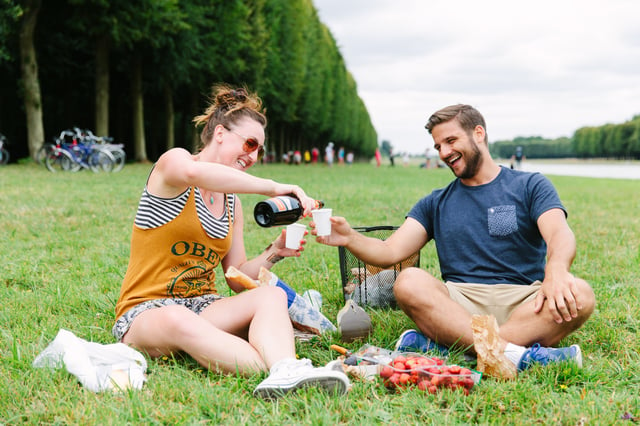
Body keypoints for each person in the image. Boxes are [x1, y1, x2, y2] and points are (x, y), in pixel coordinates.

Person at [314, 104, 595, 374]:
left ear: (479, 133)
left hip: (525, 300)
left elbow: (559, 232)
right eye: (438, 146)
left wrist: (556, 271)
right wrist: (349, 237)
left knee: (581, 293)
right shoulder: (435, 202)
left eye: (451, 140)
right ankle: (515, 355)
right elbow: (389, 251)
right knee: (408, 281)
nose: (445, 152)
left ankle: (451, 348)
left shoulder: (530, 185)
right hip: (459, 303)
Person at [112, 84, 348, 399]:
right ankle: (279, 364)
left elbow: (236, 274)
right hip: (146, 310)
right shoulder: (175, 164)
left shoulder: (231, 201)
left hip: (204, 306)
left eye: (259, 150)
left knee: (271, 297)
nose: (253, 156)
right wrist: (275, 187)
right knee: (177, 318)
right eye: (250, 144)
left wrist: (275, 252)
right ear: (220, 133)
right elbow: (194, 173)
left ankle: (284, 370)